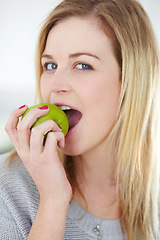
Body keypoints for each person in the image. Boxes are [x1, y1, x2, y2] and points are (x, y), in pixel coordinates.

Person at [0, 0, 160, 239]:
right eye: (50, 65)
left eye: (83, 65)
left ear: (130, 82)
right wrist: (52, 200)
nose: (55, 85)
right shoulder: (8, 187)